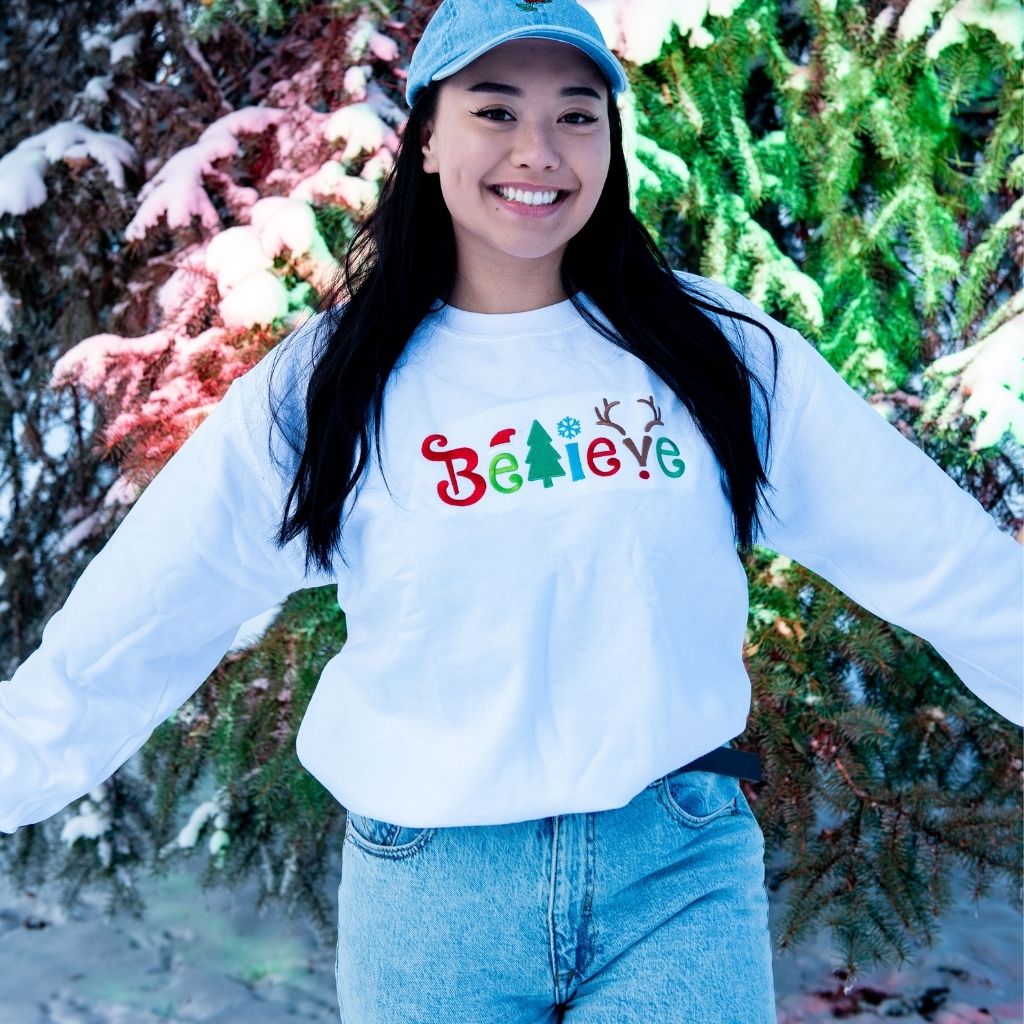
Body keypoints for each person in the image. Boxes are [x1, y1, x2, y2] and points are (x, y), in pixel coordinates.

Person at [2, 0, 1021, 1020]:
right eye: (495, 110)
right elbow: (142, 614)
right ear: (429, 138)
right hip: (434, 895)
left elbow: (945, 563)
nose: (539, 151)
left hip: (672, 866)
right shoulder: (331, 384)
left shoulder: (717, 353)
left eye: (576, 115)